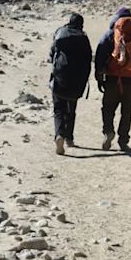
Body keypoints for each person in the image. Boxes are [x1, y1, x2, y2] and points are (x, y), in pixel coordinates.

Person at [94, 6, 131, 152]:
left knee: (108, 108)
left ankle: (108, 131)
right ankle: (123, 141)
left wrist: (99, 74)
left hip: (113, 79)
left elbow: (100, 55)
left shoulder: (111, 34)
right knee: (127, 111)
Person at [49, 13, 92, 155]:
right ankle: (69, 138)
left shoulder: (61, 34)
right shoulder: (84, 38)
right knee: (71, 108)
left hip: (60, 77)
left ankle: (59, 135)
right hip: (77, 81)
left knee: (58, 109)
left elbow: (52, 53)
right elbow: (88, 60)